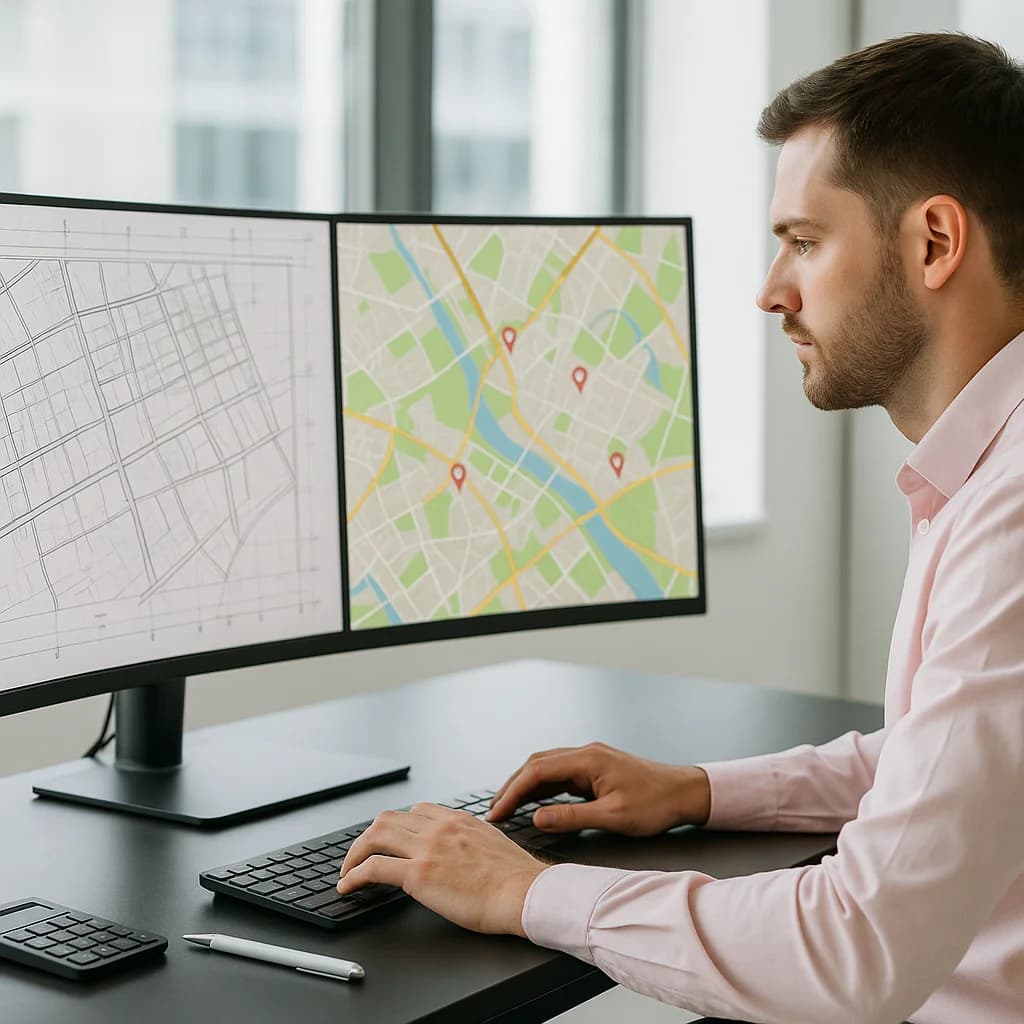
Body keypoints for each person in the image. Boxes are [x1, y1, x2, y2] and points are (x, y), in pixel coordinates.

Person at [337, 32, 1024, 1024]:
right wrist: (700, 789)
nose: (769, 289)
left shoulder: (1009, 512)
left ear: (932, 243)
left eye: (803, 240)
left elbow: (856, 951)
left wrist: (521, 890)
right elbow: (953, 768)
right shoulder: (983, 468)